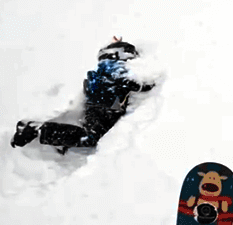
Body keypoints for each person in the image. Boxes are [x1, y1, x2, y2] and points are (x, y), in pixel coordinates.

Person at [10, 40, 157, 154]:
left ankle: (59, 139)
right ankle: (37, 129)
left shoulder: (107, 68)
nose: (133, 58)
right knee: (90, 138)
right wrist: (145, 85)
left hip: (102, 107)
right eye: (131, 54)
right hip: (103, 108)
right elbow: (129, 81)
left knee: (91, 136)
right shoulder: (113, 67)